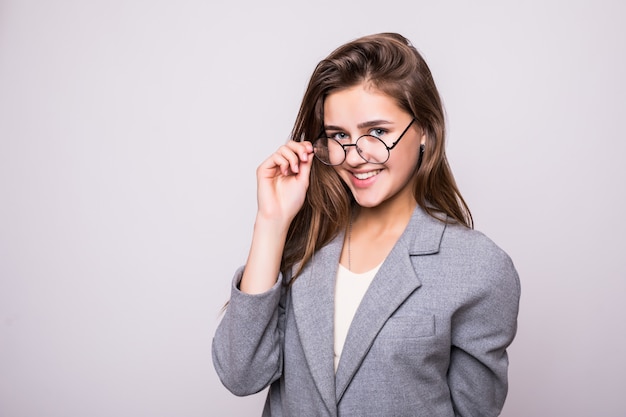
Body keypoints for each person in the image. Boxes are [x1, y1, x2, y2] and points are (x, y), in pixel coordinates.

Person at [212, 32, 520, 417]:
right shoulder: (304, 241)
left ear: (424, 129)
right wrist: (271, 223)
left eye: (377, 132)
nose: (355, 157)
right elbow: (240, 375)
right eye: (339, 135)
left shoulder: (478, 267)